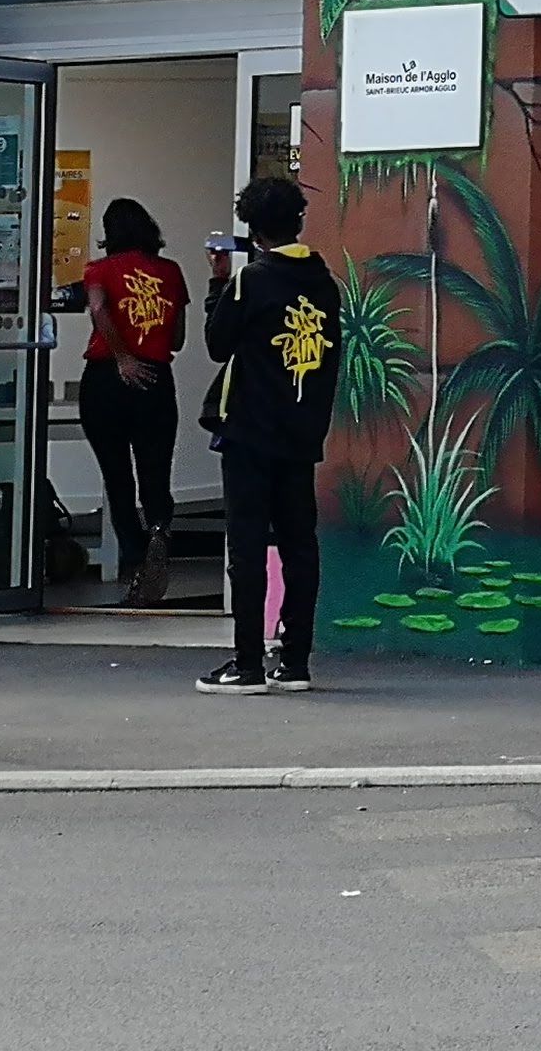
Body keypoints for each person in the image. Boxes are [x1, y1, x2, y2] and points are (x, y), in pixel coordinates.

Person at [198, 172, 339, 694]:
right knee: (300, 543)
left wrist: (218, 281)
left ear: (254, 232)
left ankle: (247, 663)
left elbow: (217, 344)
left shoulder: (251, 281)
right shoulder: (324, 283)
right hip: (302, 430)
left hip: (250, 430)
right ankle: (295, 660)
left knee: (248, 545)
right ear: (298, 221)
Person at [77, 199, 189, 606]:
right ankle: (159, 532)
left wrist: (123, 358)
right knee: (155, 474)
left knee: (117, 476)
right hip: (155, 378)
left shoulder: (98, 270)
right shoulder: (171, 272)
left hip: (105, 378)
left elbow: (97, 307)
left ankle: (137, 560)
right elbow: (178, 338)